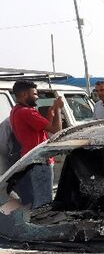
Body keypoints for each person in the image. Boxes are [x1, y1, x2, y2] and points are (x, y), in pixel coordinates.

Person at [9, 80, 63, 208]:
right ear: (24, 95)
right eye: (35, 94)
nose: (37, 97)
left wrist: (51, 114)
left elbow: (41, 129)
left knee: (37, 197)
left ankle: (35, 223)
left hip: (30, 159)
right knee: (44, 201)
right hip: (40, 161)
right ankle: (41, 226)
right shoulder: (28, 112)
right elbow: (56, 130)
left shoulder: (16, 110)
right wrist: (59, 109)